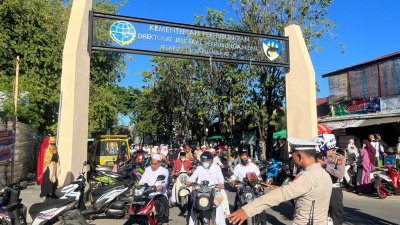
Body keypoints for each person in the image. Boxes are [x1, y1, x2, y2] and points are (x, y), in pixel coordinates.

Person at [228, 137, 332, 225]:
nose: (292, 159)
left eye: (293, 155)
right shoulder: (324, 174)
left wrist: (247, 209)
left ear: (299, 156)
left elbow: (280, 195)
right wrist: (277, 187)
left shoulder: (307, 177)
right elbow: (304, 190)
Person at [186, 151, 225, 225]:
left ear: (211, 160)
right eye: (203, 161)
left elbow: (221, 179)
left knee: (218, 209)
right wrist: (189, 181)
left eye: (206, 160)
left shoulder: (216, 168)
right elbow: (192, 177)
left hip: (213, 192)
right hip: (200, 192)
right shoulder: (199, 168)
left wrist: (220, 184)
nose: (205, 162)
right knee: (194, 208)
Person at [314, 134, 345, 225]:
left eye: (320, 144)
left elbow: (340, 175)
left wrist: (324, 165)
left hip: (333, 190)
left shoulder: (339, 158)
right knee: (321, 217)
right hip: (321, 189)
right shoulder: (319, 157)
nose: (318, 146)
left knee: (335, 218)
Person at [230, 150, 267, 225]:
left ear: (248, 158)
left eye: (245, 158)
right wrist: (232, 180)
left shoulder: (253, 166)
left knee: (261, 208)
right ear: (239, 158)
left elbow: (258, 177)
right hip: (242, 189)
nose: (243, 160)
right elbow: (234, 176)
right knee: (235, 207)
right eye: (242, 159)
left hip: (254, 189)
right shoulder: (238, 167)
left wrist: (259, 182)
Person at [136, 154, 169, 225]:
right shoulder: (147, 169)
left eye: (155, 164)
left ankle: (163, 222)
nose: (152, 165)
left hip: (159, 193)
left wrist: (161, 186)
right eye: (151, 163)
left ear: (160, 163)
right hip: (147, 193)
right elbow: (143, 180)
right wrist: (138, 187)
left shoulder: (164, 170)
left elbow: (164, 181)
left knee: (162, 202)